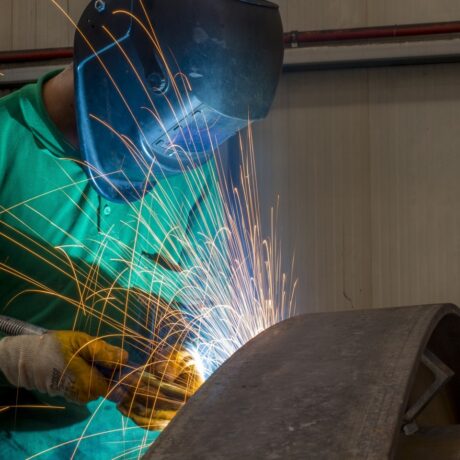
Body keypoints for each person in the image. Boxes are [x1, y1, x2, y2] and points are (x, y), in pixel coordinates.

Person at [0, 0, 283, 457]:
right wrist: (16, 360)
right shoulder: (5, 144)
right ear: (120, 65)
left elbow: (203, 305)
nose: (172, 153)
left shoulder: (186, 167)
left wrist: (189, 360)